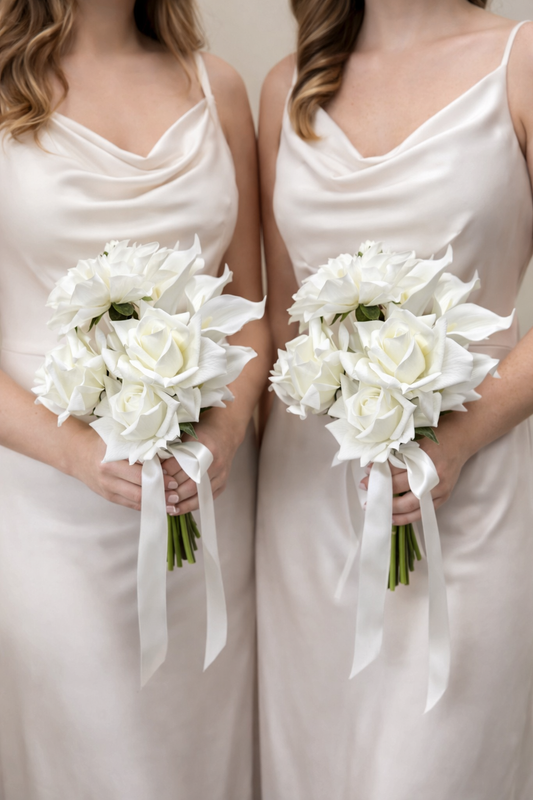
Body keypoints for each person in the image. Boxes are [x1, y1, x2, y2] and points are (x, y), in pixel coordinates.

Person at [257, 1, 533, 797]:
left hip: (469, 499)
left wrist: (453, 440)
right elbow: (282, 322)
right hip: (307, 511)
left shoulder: (517, 62)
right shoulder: (290, 86)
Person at [0, 1, 269, 798]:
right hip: (54, 508)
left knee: (197, 755)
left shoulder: (216, 87)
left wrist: (222, 430)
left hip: (208, 498)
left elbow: (253, 313)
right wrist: (80, 456)